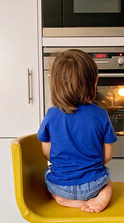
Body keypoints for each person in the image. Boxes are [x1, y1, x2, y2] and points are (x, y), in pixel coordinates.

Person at [37, 49, 117, 213]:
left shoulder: (51, 115)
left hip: (60, 186)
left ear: (56, 85)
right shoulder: (101, 114)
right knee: (107, 179)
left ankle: (61, 199)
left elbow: (47, 153)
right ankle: (100, 199)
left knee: (47, 173)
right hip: (93, 186)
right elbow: (107, 156)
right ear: (92, 84)